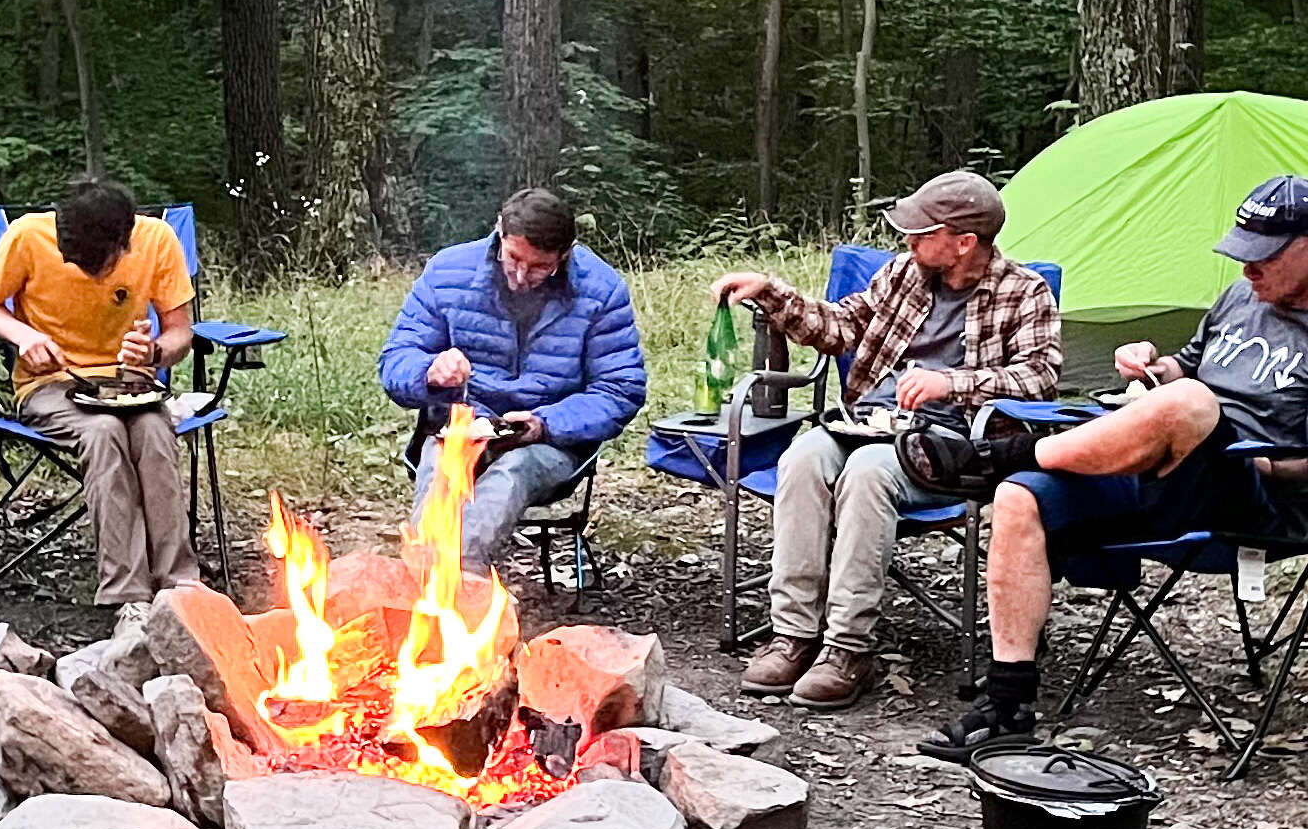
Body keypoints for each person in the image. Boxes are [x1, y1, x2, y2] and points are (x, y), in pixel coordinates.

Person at [915, 175, 1308, 757]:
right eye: (1241, 256)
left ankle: (1003, 454)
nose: (1247, 271)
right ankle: (1008, 705)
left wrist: (1218, 442)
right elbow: (1186, 369)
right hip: (1160, 472)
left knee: (1191, 405)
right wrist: (1151, 366)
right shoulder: (1243, 300)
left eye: (1262, 258)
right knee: (1021, 497)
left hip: (1250, 501)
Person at [710, 169, 1062, 709]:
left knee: (869, 472)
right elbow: (839, 328)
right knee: (803, 457)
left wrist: (953, 383)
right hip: (869, 423)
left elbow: (1040, 377)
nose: (908, 240)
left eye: (922, 233)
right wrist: (772, 293)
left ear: (963, 242)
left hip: (953, 445)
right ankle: (794, 634)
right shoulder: (903, 275)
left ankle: (849, 648)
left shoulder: (1023, 292)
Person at [374, 187, 650, 573]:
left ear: (565, 255)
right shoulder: (448, 272)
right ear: (500, 232)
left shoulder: (601, 291)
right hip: (461, 427)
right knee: (442, 462)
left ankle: (449, 585)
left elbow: (621, 389)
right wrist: (429, 372)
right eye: (514, 258)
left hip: (551, 439)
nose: (521, 276)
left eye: (539, 267)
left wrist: (545, 424)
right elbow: (395, 361)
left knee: (513, 470)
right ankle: (426, 580)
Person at [0, 177, 203, 603]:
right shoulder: (27, 236)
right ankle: (126, 595)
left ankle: (180, 586)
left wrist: (153, 353)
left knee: (152, 433)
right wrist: (23, 336)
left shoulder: (157, 240)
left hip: (130, 384)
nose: (87, 272)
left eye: (99, 264)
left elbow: (180, 334)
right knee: (103, 433)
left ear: (125, 241)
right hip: (50, 383)